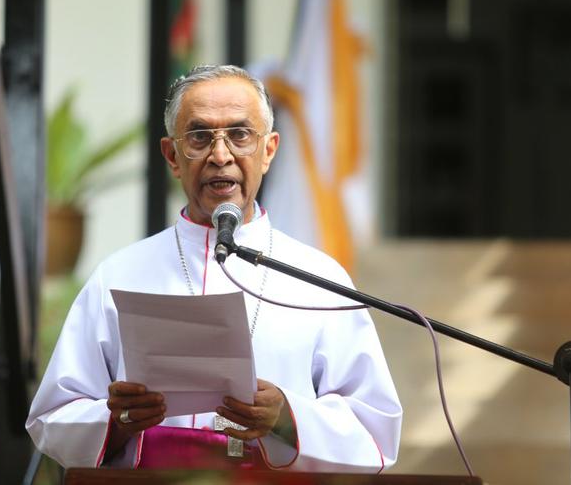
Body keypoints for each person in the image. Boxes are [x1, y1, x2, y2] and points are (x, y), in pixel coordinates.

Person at [26, 65, 402, 472]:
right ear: (172, 155)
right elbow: (52, 418)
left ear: (269, 150)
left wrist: (288, 419)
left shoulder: (320, 280)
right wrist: (115, 422)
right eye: (200, 137)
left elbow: (374, 431)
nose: (220, 155)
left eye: (240, 135)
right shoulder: (117, 274)